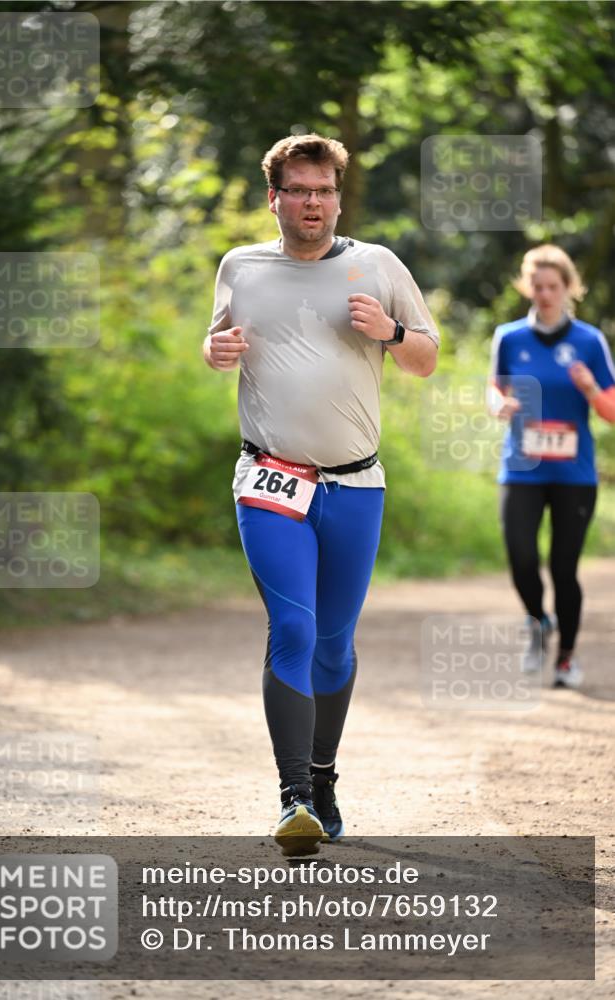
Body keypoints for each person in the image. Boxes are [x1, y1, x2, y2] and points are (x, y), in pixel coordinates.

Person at [203, 134, 439, 856]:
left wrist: (391, 330)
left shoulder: (377, 265)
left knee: (334, 646)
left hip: (355, 483)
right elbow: (218, 341)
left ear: (338, 198)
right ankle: (293, 798)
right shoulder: (241, 266)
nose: (313, 203)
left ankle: (323, 774)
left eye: (325, 191)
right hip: (270, 477)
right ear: (273, 198)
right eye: (299, 190)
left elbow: (426, 359)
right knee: (294, 630)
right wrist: (214, 351)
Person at [489, 244, 615, 689]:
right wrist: (500, 404)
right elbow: (494, 390)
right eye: (537, 286)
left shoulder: (589, 341)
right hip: (522, 468)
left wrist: (591, 390)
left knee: (564, 568)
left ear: (567, 288)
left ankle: (566, 658)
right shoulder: (509, 338)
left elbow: (611, 410)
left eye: (552, 287)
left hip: (573, 474)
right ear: (528, 287)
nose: (544, 294)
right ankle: (539, 620)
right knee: (521, 557)